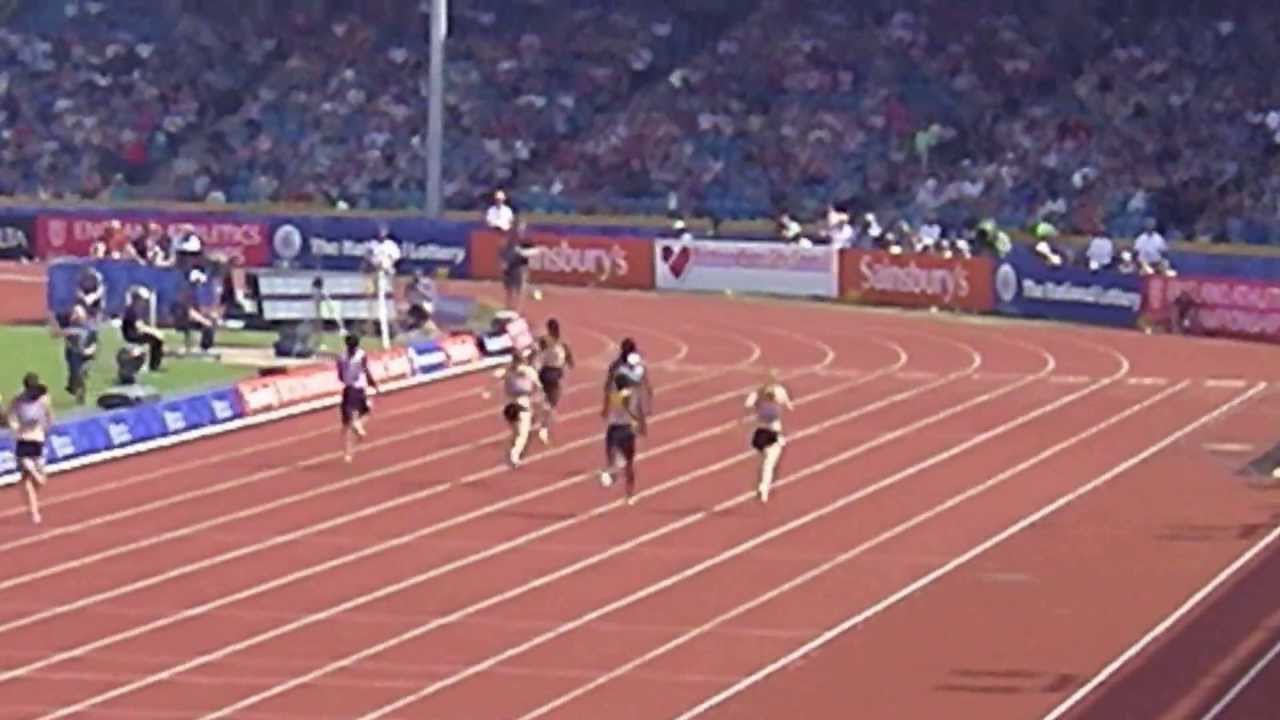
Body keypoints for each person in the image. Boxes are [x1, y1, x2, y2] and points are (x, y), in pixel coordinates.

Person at [7, 373, 53, 524]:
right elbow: (11, 415)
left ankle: (35, 479)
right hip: (23, 438)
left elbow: (49, 415)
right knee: (28, 474)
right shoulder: (18, 399)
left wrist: (47, 428)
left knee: (41, 480)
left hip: (38, 437)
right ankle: (34, 512)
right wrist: (15, 428)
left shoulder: (43, 398)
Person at [744, 371, 794, 503]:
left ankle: (762, 485)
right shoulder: (780, 391)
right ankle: (763, 487)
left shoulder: (757, 393)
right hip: (772, 433)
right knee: (769, 463)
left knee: (764, 461)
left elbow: (747, 404)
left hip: (759, 434)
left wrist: (759, 402)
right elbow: (790, 406)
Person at [599, 372, 647, 505]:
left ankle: (611, 474)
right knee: (629, 463)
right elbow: (636, 410)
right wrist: (640, 424)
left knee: (612, 460)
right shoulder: (630, 395)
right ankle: (629, 493)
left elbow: (606, 411)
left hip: (613, 429)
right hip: (626, 430)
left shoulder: (613, 395)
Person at [495, 350, 542, 467]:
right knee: (522, 433)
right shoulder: (527, 371)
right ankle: (514, 454)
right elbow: (538, 386)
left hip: (509, 403)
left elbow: (495, 376)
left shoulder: (507, 371)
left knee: (516, 432)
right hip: (521, 403)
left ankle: (513, 452)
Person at [337, 334, 380, 463]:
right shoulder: (361, 355)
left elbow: (339, 374)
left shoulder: (341, 357)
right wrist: (373, 383)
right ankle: (358, 425)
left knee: (346, 424)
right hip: (359, 388)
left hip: (348, 389)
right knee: (363, 414)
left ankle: (348, 454)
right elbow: (366, 370)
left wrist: (346, 378)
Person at [535, 318, 575, 445]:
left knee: (546, 397)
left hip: (543, 372)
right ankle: (544, 427)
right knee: (552, 401)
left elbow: (537, 350)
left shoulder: (544, 340)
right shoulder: (562, 343)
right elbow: (570, 360)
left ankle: (539, 414)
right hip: (554, 373)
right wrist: (568, 363)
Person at [58, 304, 97, 405]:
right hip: (73, 354)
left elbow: (94, 343)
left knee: (81, 374)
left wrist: (89, 350)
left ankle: (80, 394)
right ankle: (74, 387)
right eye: (75, 313)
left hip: (87, 355)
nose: (76, 315)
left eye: (78, 313)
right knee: (76, 373)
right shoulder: (70, 326)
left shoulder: (90, 328)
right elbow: (63, 337)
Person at [501, 219, 542, 310]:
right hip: (510, 268)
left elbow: (536, 251)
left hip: (521, 268)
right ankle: (508, 308)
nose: (520, 230)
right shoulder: (509, 241)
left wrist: (522, 252)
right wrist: (504, 263)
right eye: (519, 228)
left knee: (520, 290)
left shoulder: (527, 241)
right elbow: (503, 252)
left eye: (522, 228)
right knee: (509, 289)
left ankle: (518, 311)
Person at [121, 287, 165, 372]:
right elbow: (138, 327)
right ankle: (152, 365)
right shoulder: (131, 310)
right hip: (132, 334)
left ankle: (153, 364)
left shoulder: (135, 309)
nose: (144, 302)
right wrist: (153, 331)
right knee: (157, 340)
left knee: (156, 339)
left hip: (134, 332)